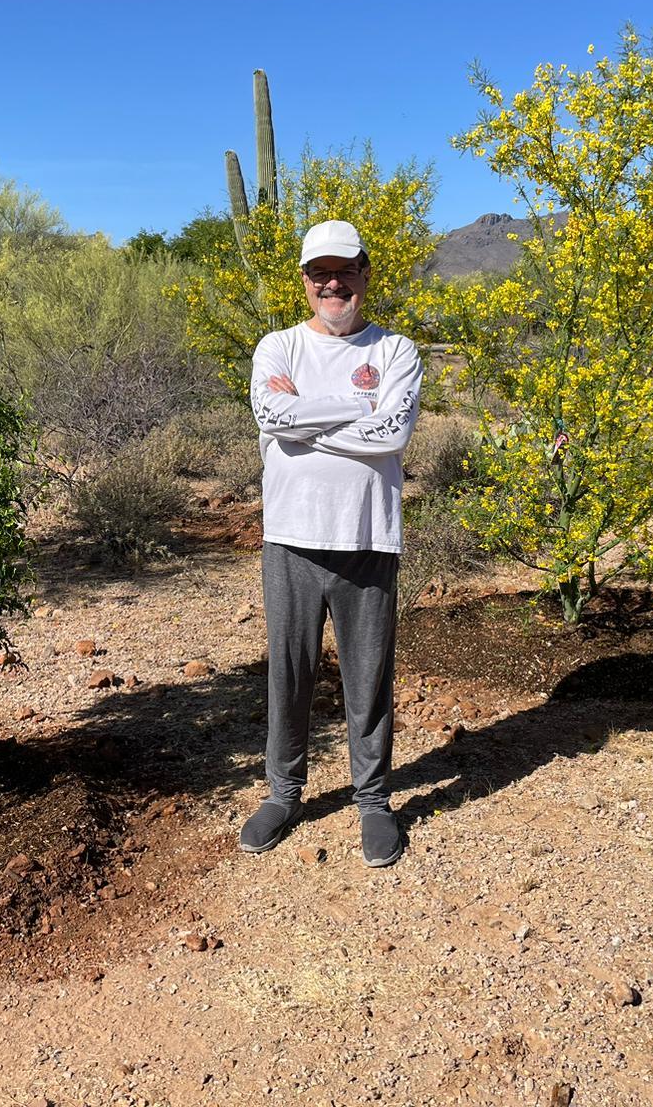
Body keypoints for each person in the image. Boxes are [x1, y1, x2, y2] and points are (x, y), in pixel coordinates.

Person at [240, 219, 423, 868]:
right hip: (291, 537)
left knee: (367, 679)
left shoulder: (397, 352)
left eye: (345, 270)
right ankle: (283, 793)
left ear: (365, 273)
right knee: (288, 674)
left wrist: (307, 423)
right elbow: (270, 417)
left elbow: (390, 437)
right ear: (305, 281)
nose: (333, 283)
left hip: (367, 537)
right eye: (321, 273)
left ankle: (374, 801)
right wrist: (355, 407)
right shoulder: (278, 348)